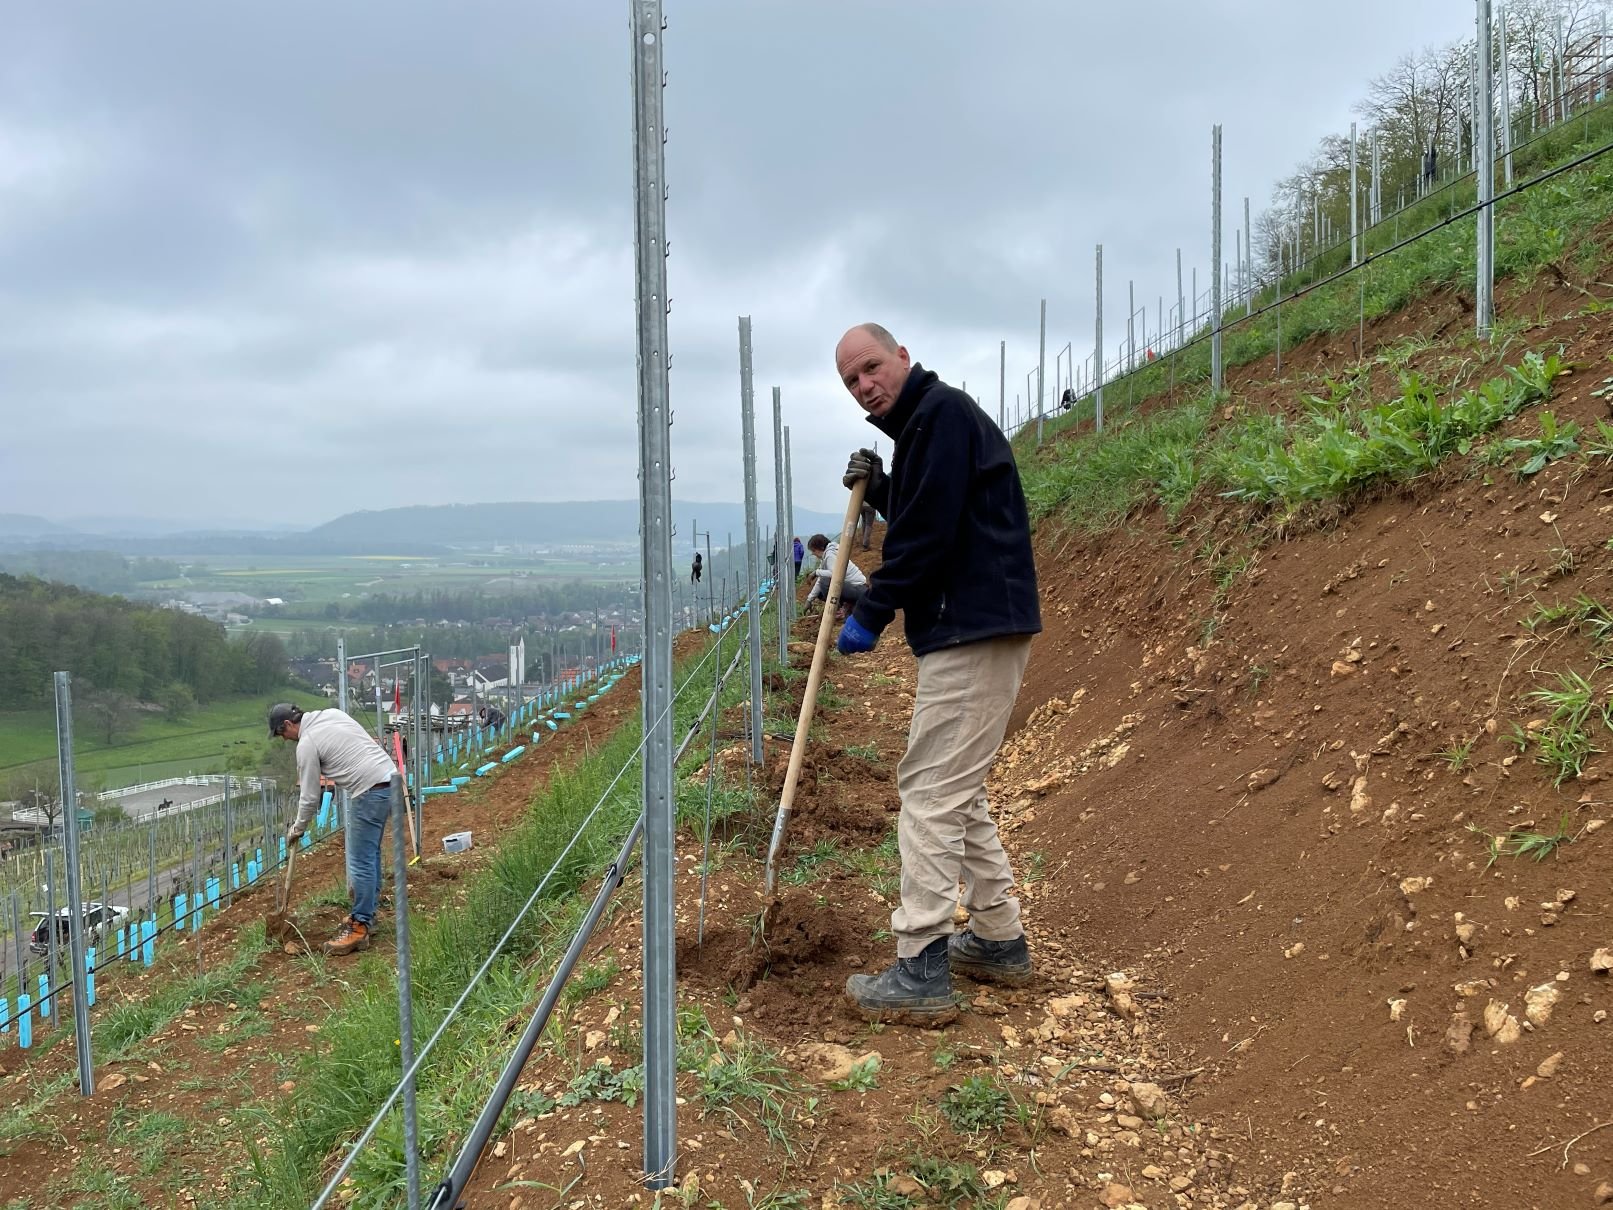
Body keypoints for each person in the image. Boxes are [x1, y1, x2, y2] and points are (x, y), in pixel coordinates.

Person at [831, 322, 1043, 1021]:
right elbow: (931, 508)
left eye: (869, 367)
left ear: (901, 356)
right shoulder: (925, 426)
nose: (864, 384)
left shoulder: (940, 414)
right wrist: (885, 486)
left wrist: (875, 608)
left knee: (926, 792)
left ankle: (919, 964)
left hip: (971, 628)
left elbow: (926, 537)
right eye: (851, 381)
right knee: (957, 790)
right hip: (972, 624)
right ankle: (996, 939)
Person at [269, 702, 398, 956]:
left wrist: (298, 828)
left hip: (370, 791)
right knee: (370, 855)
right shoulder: (331, 714)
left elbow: (309, 796)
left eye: (281, 734)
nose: (285, 740)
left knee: (361, 861)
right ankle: (366, 916)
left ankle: (360, 926)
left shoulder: (307, 743)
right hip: (389, 781)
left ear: (287, 725)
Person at [804, 532, 866, 617]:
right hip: (854, 589)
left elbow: (834, 574)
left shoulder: (830, 555)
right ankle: (847, 605)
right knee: (820, 589)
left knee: (825, 581)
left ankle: (837, 608)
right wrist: (809, 600)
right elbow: (821, 579)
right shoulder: (827, 556)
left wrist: (816, 572)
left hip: (859, 589)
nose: (813, 553)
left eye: (814, 550)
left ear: (821, 547)